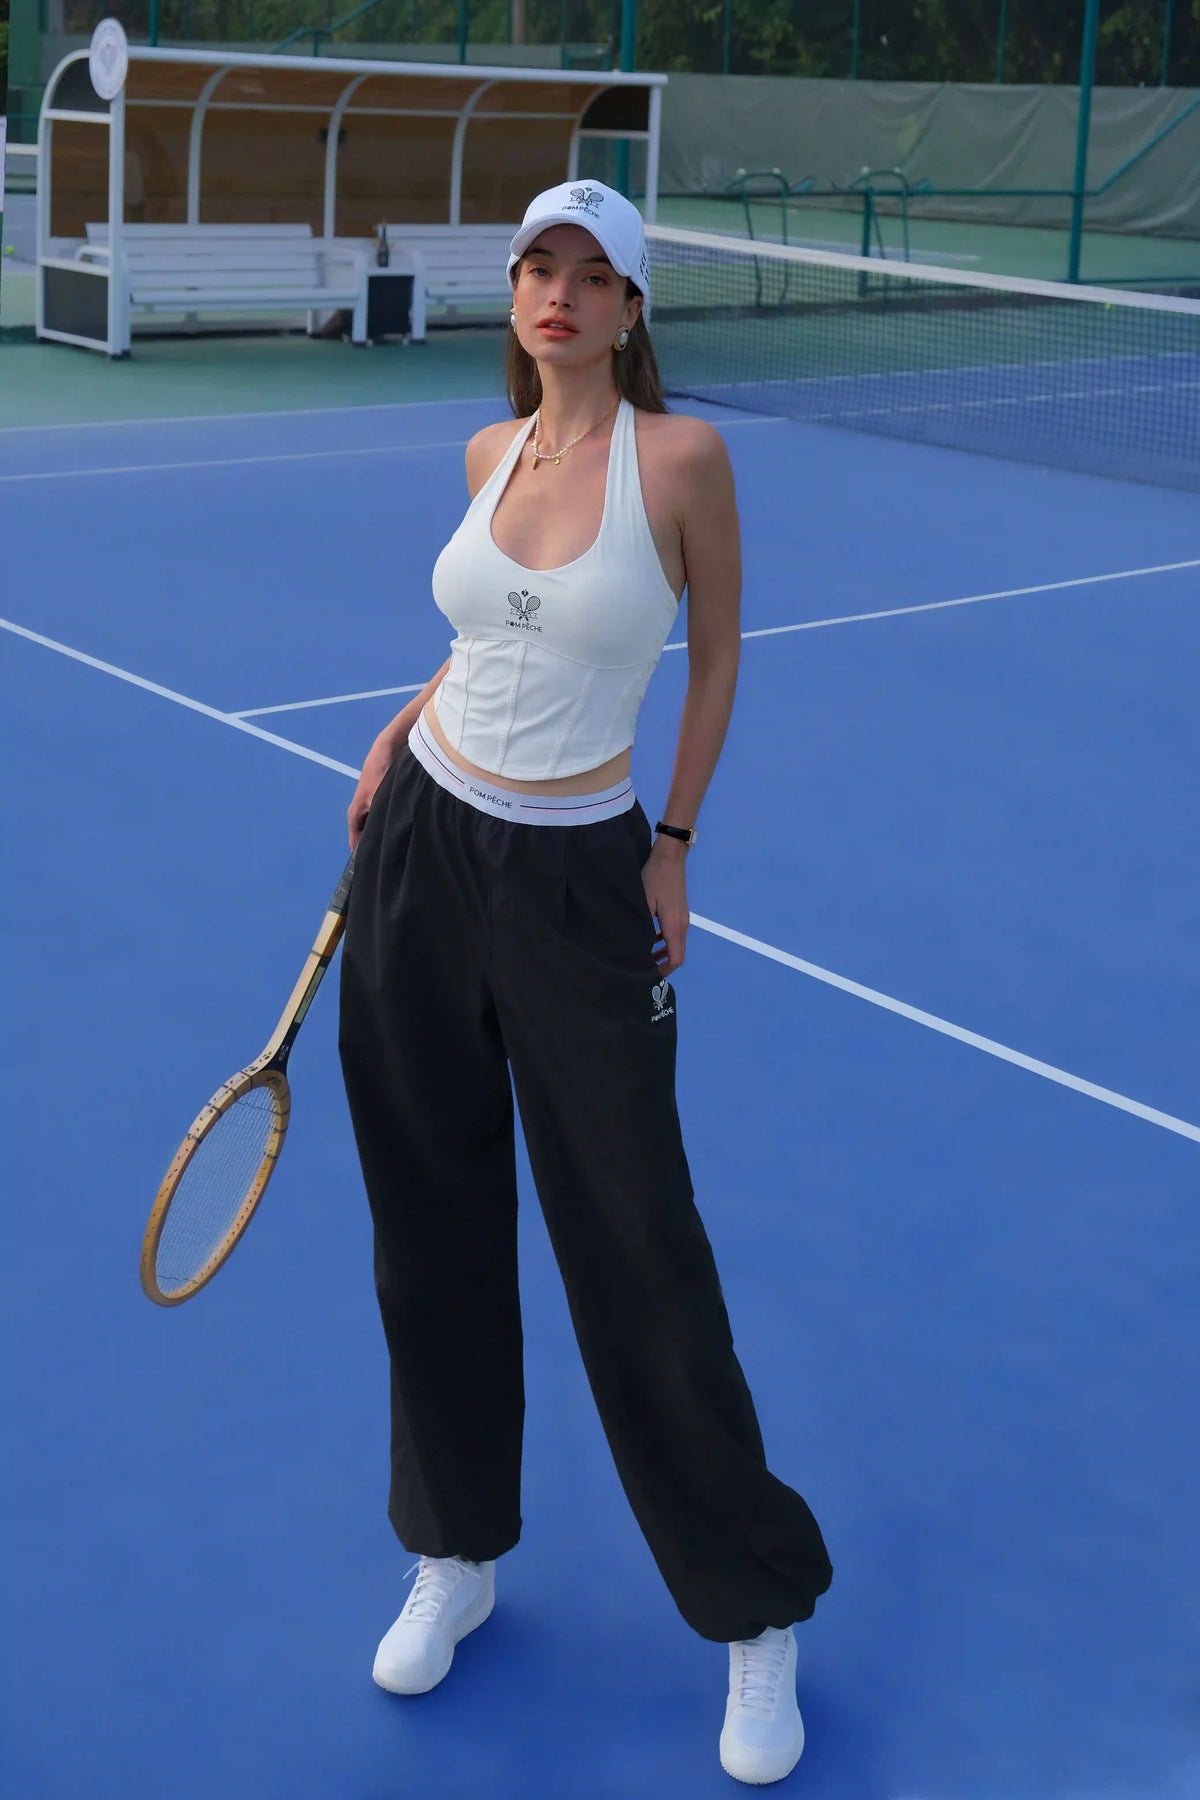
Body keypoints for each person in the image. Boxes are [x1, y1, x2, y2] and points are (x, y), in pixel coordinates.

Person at [337, 179, 832, 1786]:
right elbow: (493, 631)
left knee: (637, 1245)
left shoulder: (683, 462)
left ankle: (757, 1615)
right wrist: (402, 724)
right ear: (516, 296)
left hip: (578, 884)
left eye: (590, 273)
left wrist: (675, 839)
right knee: (431, 1223)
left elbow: (721, 651)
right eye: (536, 266)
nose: (557, 291)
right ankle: (457, 1548)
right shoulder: (490, 455)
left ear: (632, 308)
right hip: (422, 852)